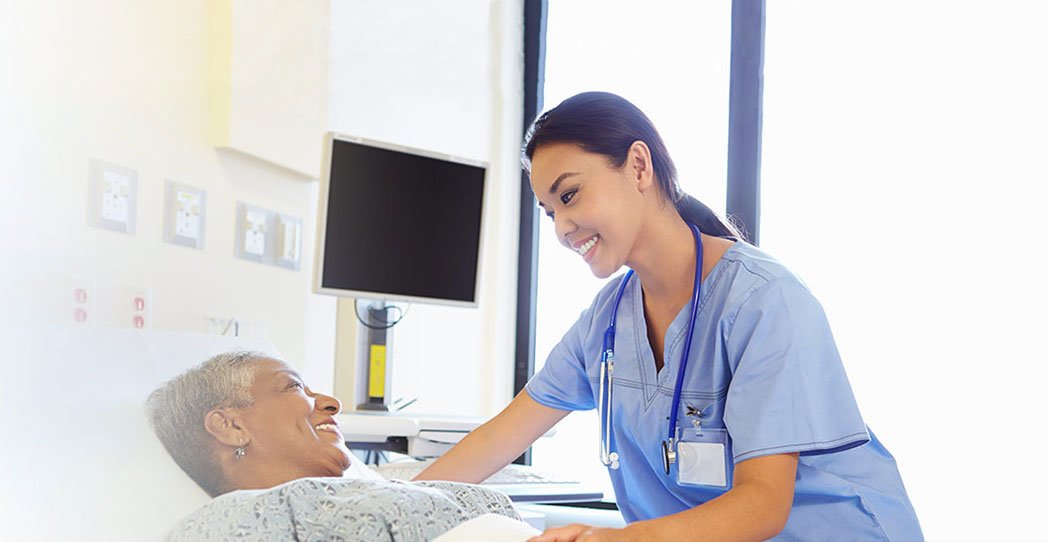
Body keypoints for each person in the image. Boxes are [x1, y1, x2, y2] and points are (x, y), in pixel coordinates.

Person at [415, 92, 923, 541]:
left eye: (569, 196)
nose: (562, 228)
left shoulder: (764, 300)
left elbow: (764, 505)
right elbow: (499, 438)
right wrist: (394, 503)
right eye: (550, 212)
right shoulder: (608, 321)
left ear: (639, 166)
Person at [146, 351, 526, 541]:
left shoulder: (365, 496)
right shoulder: (227, 525)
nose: (331, 402)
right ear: (229, 425)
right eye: (294, 387)